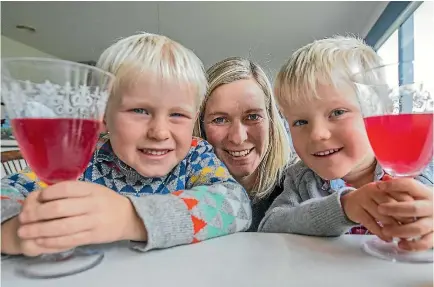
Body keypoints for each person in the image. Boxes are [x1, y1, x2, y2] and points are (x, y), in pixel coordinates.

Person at [1, 33, 252, 257]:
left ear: (194, 117)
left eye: (178, 115)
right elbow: (7, 193)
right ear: (103, 116)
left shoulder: (196, 156)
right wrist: (12, 231)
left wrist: (129, 218)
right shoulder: (84, 159)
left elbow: (237, 205)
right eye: (140, 110)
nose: (159, 132)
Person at [258, 36, 433, 252]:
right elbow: (270, 227)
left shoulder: (421, 164)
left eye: (337, 113)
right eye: (300, 122)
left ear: (378, 112)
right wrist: (343, 208)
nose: (317, 134)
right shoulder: (302, 179)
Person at [194, 57, 292, 231]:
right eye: (220, 119)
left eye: (253, 117)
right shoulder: (177, 187)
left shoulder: (300, 183)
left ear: (271, 121)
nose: (238, 137)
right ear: (201, 126)